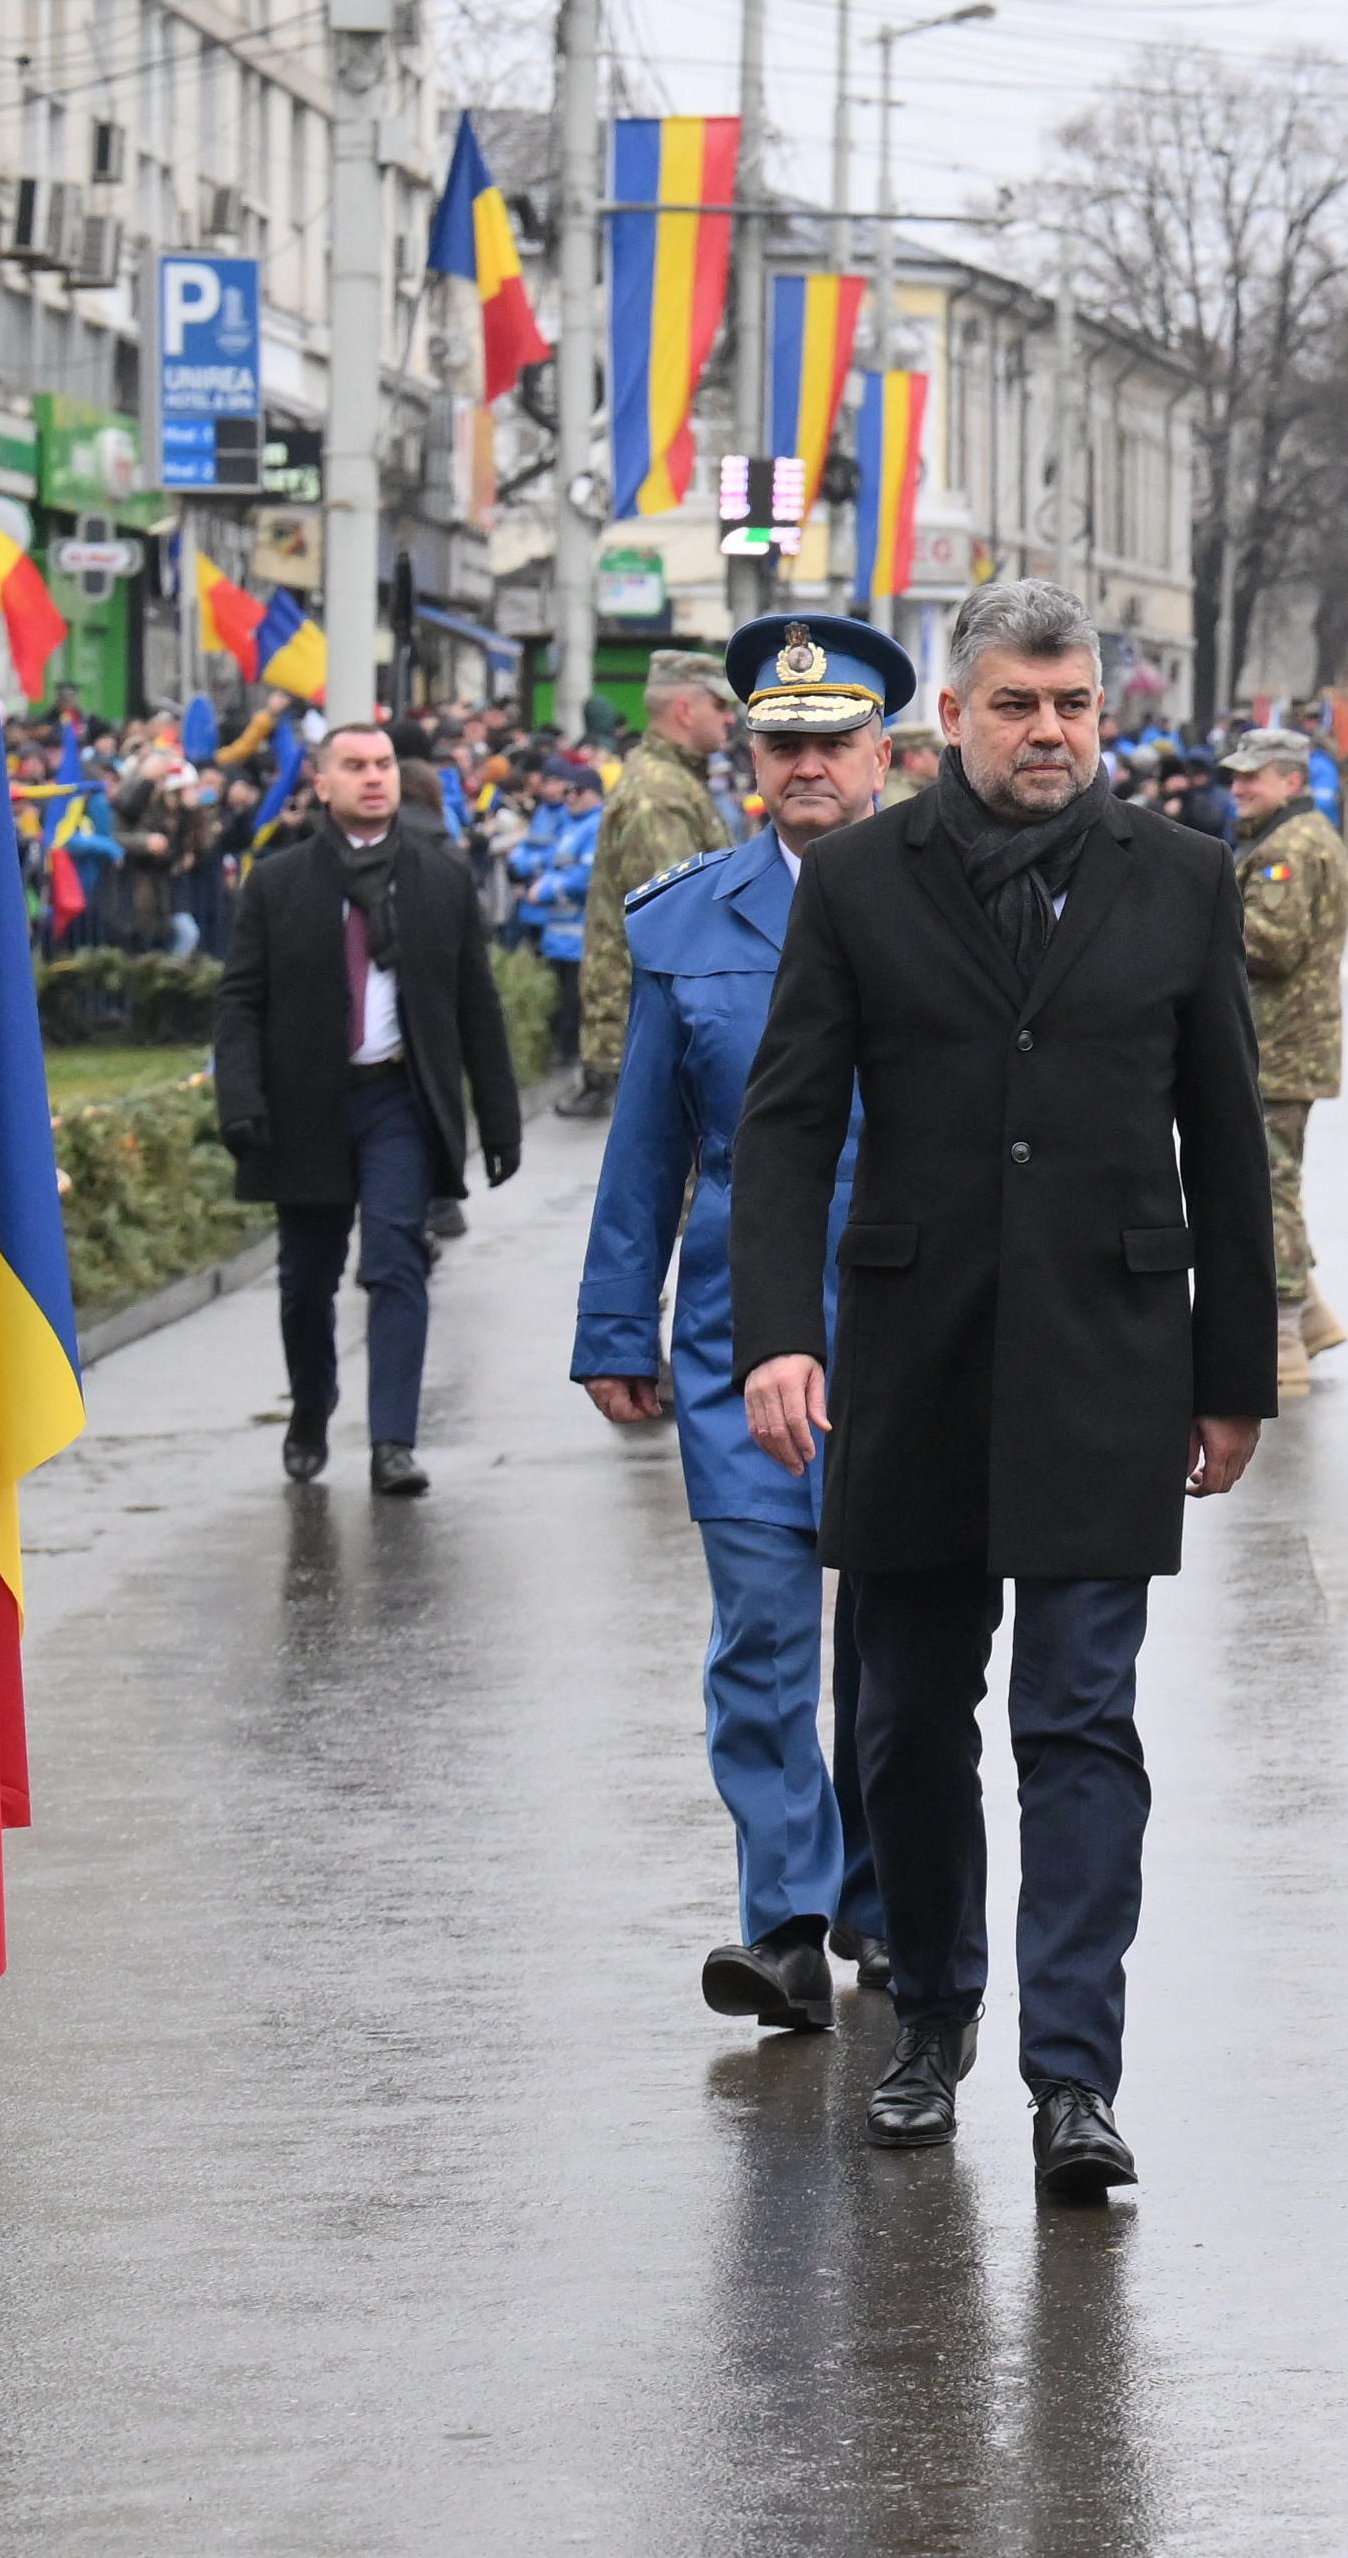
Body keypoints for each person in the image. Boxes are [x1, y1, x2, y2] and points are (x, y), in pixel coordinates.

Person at [728, 576, 1282, 2204]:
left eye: (1074, 706)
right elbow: (786, 1122)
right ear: (951, 719)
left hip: (1111, 1361)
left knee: (1078, 1721)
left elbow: (1226, 1140)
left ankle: (1073, 2074)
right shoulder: (860, 884)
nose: (1049, 733)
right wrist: (779, 1330)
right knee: (903, 1719)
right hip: (912, 1360)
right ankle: (928, 2018)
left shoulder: (1176, 878)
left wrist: (1230, 1373)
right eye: (1016, 705)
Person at [573, 609, 909, 2035]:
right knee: (763, 1632)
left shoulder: (946, 900)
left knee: (893, 1637)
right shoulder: (687, 919)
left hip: (911, 1314)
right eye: (784, 744)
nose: (808, 766)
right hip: (737, 1325)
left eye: (835, 742)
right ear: (748, 757)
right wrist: (614, 1324)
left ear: (887, 751)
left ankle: (893, 1905)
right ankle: (785, 1920)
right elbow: (648, 1145)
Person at [212, 714, 525, 1494]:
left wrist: (500, 1116)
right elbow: (240, 1001)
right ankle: (311, 1408)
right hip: (305, 1105)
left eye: (383, 763)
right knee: (305, 1281)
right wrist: (241, 1099)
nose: (374, 776)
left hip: (398, 1100)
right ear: (321, 783)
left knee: (396, 1262)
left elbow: (475, 1006)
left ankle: (393, 1442)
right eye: (354, 764)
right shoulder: (278, 882)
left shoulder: (439, 878)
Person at [1224, 726, 1348, 1398]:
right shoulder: (1294, 838)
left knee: (1268, 1184)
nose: (1238, 787)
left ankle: (1281, 1337)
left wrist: (1205, 908)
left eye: (1254, 776)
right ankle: (1309, 1316)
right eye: (1237, 776)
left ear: (1292, 781)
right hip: (1284, 1043)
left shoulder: (1289, 849)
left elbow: (1273, 943)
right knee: (1270, 1176)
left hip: (1278, 1045)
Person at [577, 654, 736, 1103]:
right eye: (719, 706)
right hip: (660, 1028)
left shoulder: (673, 780)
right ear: (685, 710)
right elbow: (682, 926)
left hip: (661, 1024)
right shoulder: (660, 793)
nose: (730, 717)